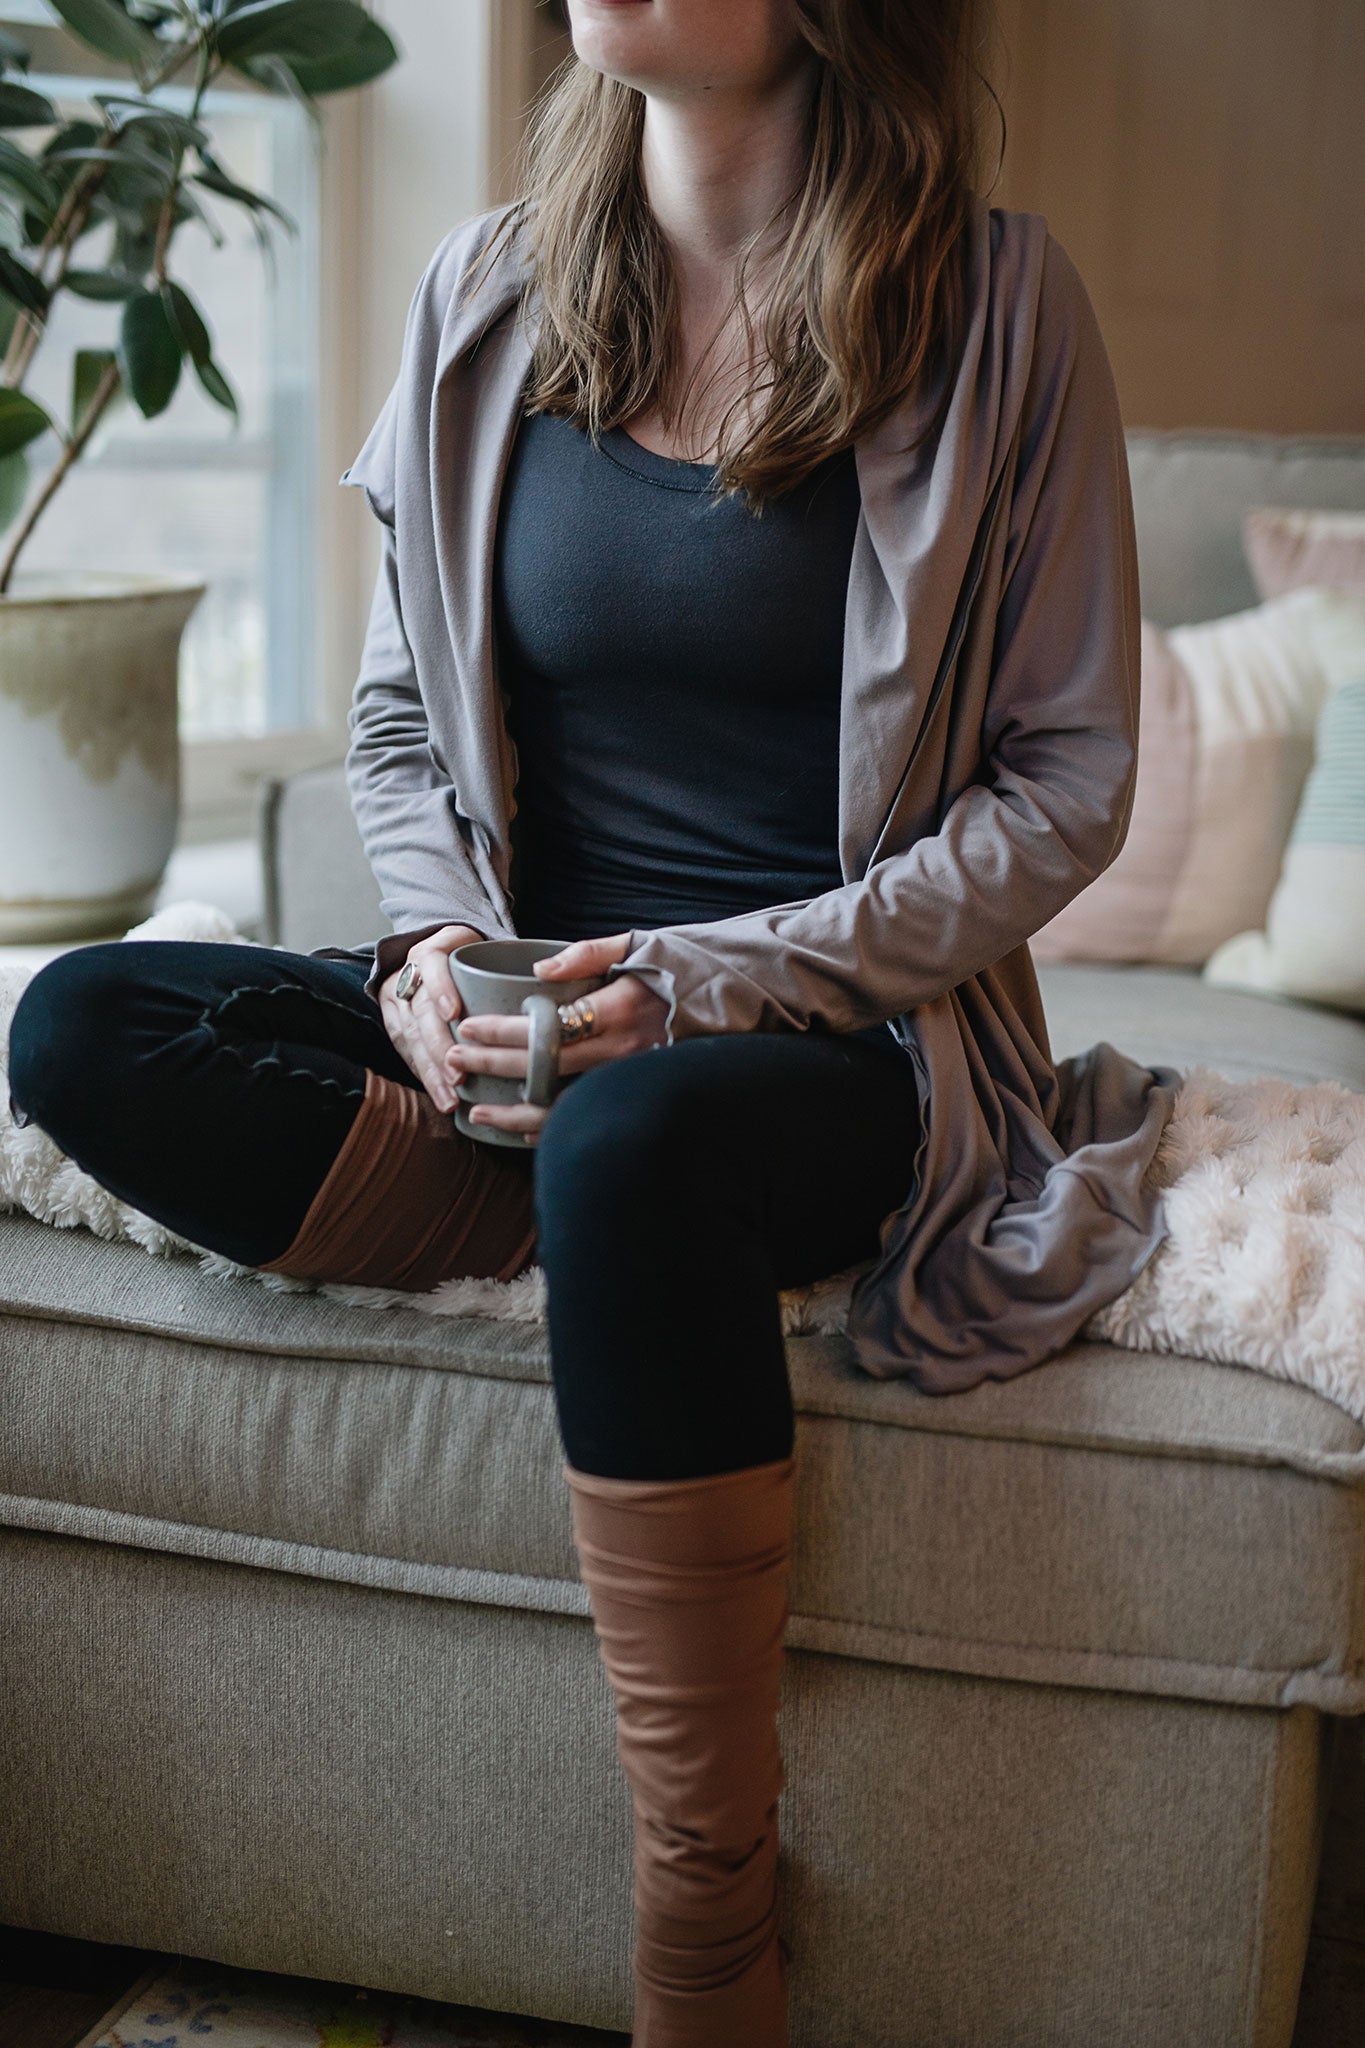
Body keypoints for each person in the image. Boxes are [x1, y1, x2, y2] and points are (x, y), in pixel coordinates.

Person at [7, 2, 1182, 2040]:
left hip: (830, 1036)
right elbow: (400, 718)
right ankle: (559, 1198)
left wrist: (700, 983)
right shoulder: (488, 288)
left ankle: (708, 1933)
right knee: (80, 1022)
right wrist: (437, 960)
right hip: (529, 1007)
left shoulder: (997, 304)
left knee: (640, 1139)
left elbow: (1063, 786)